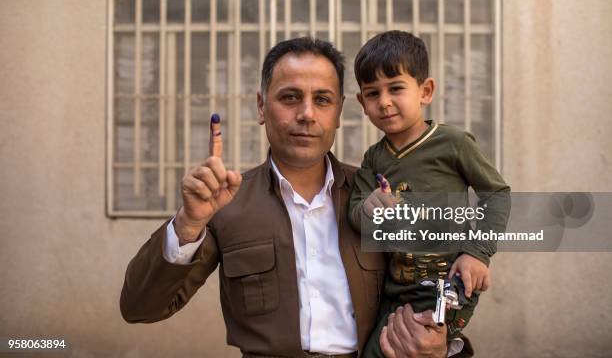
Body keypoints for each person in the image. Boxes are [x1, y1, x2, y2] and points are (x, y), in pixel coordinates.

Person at [120, 37, 458, 358]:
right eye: (290, 97)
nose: (307, 114)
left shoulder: (378, 196)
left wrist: (439, 342)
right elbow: (139, 308)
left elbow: (436, 283)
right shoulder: (227, 203)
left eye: (322, 100)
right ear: (261, 106)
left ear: (339, 113)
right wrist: (189, 222)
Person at [348, 31, 511, 357]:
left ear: (425, 91)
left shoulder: (453, 143)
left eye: (395, 88)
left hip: (449, 281)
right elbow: (354, 213)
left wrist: (478, 252)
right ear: (362, 104)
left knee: (405, 349)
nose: (384, 101)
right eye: (372, 93)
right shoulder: (373, 159)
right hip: (396, 289)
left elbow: (496, 193)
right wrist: (368, 208)